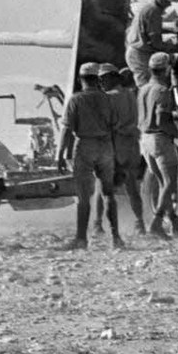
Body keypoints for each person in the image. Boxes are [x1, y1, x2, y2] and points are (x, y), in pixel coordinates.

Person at [55, 62, 121, 250]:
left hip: (85, 146)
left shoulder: (76, 100)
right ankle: (116, 237)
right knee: (108, 193)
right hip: (106, 146)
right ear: (97, 79)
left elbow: (67, 129)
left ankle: (81, 239)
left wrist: (61, 154)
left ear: (80, 79)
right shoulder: (108, 99)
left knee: (84, 197)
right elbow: (115, 123)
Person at [95, 64, 145, 236]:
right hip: (131, 147)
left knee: (103, 188)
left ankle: (98, 224)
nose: (101, 82)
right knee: (132, 188)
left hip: (114, 147)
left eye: (104, 78)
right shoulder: (130, 95)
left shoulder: (107, 98)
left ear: (114, 77)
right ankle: (140, 223)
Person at [138, 52, 178, 239]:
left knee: (162, 183)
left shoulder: (144, 88)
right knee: (170, 182)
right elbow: (162, 120)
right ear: (166, 69)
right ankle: (156, 223)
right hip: (159, 139)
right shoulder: (162, 91)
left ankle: (174, 222)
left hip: (145, 140)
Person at [125, 0, 178, 86]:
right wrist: (174, 47)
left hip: (138, 52)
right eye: (168, 1)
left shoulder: (149, 8)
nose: (169, 5)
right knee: (148, 88)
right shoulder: (154, 12)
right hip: (140, 55)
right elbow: (156, 43)